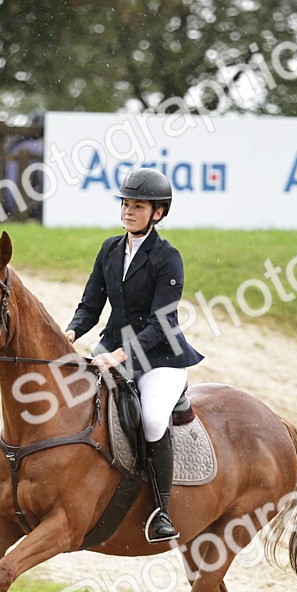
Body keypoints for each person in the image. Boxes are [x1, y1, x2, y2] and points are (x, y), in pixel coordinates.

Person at [65, 168, 204, 543]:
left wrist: (120, 355)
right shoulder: (110, 248)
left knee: (153, 419)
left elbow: (161, 323)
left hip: (160, 357)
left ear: (158, 213)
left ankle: (162, 510)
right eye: (126, 203)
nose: (128, 211)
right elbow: (91, 303)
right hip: (113, 346)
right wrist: (71, 333)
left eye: (138, 206)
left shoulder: (167, 257)